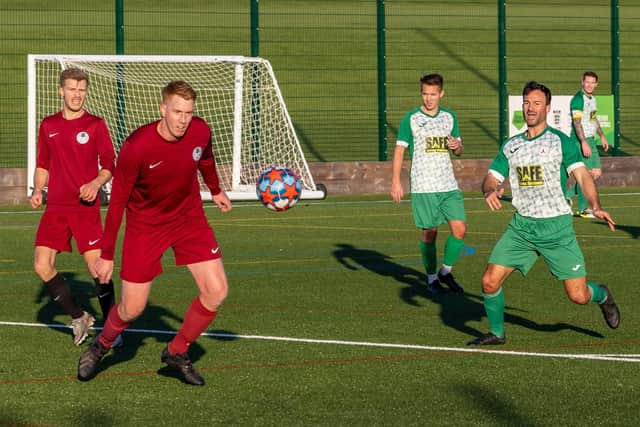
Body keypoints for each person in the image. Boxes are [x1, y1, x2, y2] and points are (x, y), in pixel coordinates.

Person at [77, 80, 232, 386]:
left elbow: (206, 158)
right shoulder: (138, 146)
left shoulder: (200, 131)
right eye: (177, 111)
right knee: (132, 308)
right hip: (145, 225)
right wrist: (106, 255)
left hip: (188, 219)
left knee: (217, 291)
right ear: (162, 109)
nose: (183, 119)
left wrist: (215, 190)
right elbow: (118, 201)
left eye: (188, 112)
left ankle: (176, 352)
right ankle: (101, 346)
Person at [470, 81, 620, 346]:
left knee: (578, 295)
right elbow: (491, 178)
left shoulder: (560, 142)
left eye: (537, 103)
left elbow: (583, 176)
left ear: (547, 108)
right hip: (522, 228)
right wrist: (489, 191)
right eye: (527, 102)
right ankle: (497, 333)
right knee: (489, 282)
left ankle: (603, 296)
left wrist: (595, 205)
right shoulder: (511, 146)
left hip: (557, 229)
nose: (531, 108)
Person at [31, 68, 117, 346]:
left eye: (81, 90)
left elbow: (109, 164)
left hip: (85, 208)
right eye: (72, 89)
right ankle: (79, 316)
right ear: (61, 91)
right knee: (42, 265)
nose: (77, 95)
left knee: (97, 270)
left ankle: (113, 330)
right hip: (55, 207)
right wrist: (37, 189)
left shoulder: (95, 125)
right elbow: (42, 163)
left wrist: (95, 182)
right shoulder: (48, 125)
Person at [390, 73, 467, 294]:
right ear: (421, 93)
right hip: (424, 185)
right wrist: (396, 181)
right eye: (425, 93)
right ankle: (432, 277)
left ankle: (446, 271)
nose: (429, 98)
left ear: (441, 93)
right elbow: (399, 150)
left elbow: (460, 149)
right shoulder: (411, 118)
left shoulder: (450, 117)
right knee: (430, 233)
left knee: (460, 229)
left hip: (448, 185)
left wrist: (456, 147)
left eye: (433, 94)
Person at [565, 71, 609, 218]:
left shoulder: (592, 99)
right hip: (580, 140)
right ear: (582, 82)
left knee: (595, 172)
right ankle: (581, 207)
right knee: (586, 174)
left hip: (591, 139)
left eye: (592, 82)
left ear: (596, 84)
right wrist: (583, 142)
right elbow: (577, 123)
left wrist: (602, 136)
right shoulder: (578, 99)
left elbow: (593, 119)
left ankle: (567, 197)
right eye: (587, 82)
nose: (589, 84)